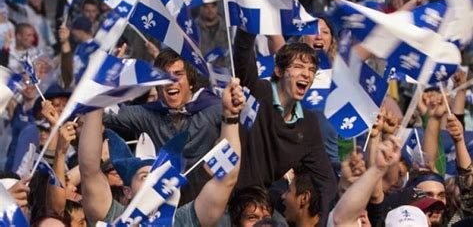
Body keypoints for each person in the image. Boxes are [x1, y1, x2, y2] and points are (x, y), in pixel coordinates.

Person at [79, 79, 244, 226]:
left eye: (159, 176)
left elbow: (226, 179)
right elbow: (89, 170)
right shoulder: (113, 216)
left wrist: (230, 117)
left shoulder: (182, 221)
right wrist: (96, 102)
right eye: (144, 176)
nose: (153, 180)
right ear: (127, 191)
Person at [234, 28, 337, 226]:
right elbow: (242, 53)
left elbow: (327, 182)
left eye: (311, 70)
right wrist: (249, 18)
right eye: (298, 66)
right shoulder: (257, 92)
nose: (306, 75)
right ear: (279, 71)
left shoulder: (308, 123)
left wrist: (319, 222)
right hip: (225, 200)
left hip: (260, 208)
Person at [103, 50, 222, 202]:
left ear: (191, 82)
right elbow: (104, 112)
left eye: (178, 74)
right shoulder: (148, 114)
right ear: (158, 88)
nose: (171, 80)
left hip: (210, 204)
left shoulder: (214, 108)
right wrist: (107, 77)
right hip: (166, 207)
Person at [195, 2, 229, 66]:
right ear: (201, 8)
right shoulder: (193, 29)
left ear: (217, 8)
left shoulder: (229, 28)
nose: (210, 10)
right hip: (204, 71)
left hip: (227, 71)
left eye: (213, 7)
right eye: (206, 7)